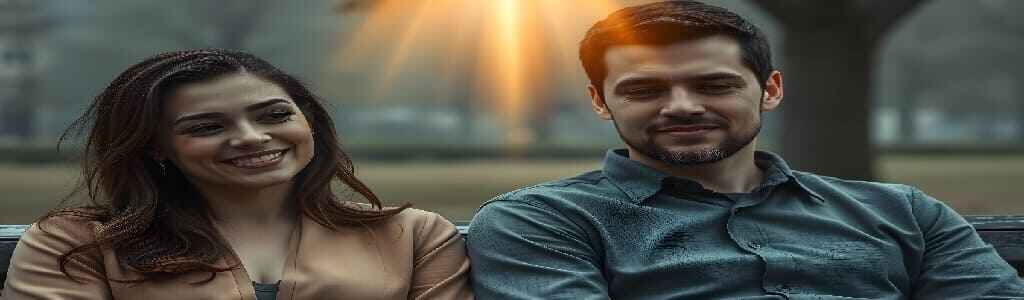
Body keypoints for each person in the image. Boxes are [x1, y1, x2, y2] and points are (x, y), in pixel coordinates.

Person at [466, 1, 1024, 299]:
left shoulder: (904, 213)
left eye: (714, 85)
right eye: (644, 90)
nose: (681, 106)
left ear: (771, 89)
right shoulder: (541, 222)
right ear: (599, 100)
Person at [2, 49, 472, 299]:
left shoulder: (414, 235)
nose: (250, 137)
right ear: (155, 147)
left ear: (307, 121)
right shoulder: (75, 244)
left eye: (273, 115)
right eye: (207, 127)